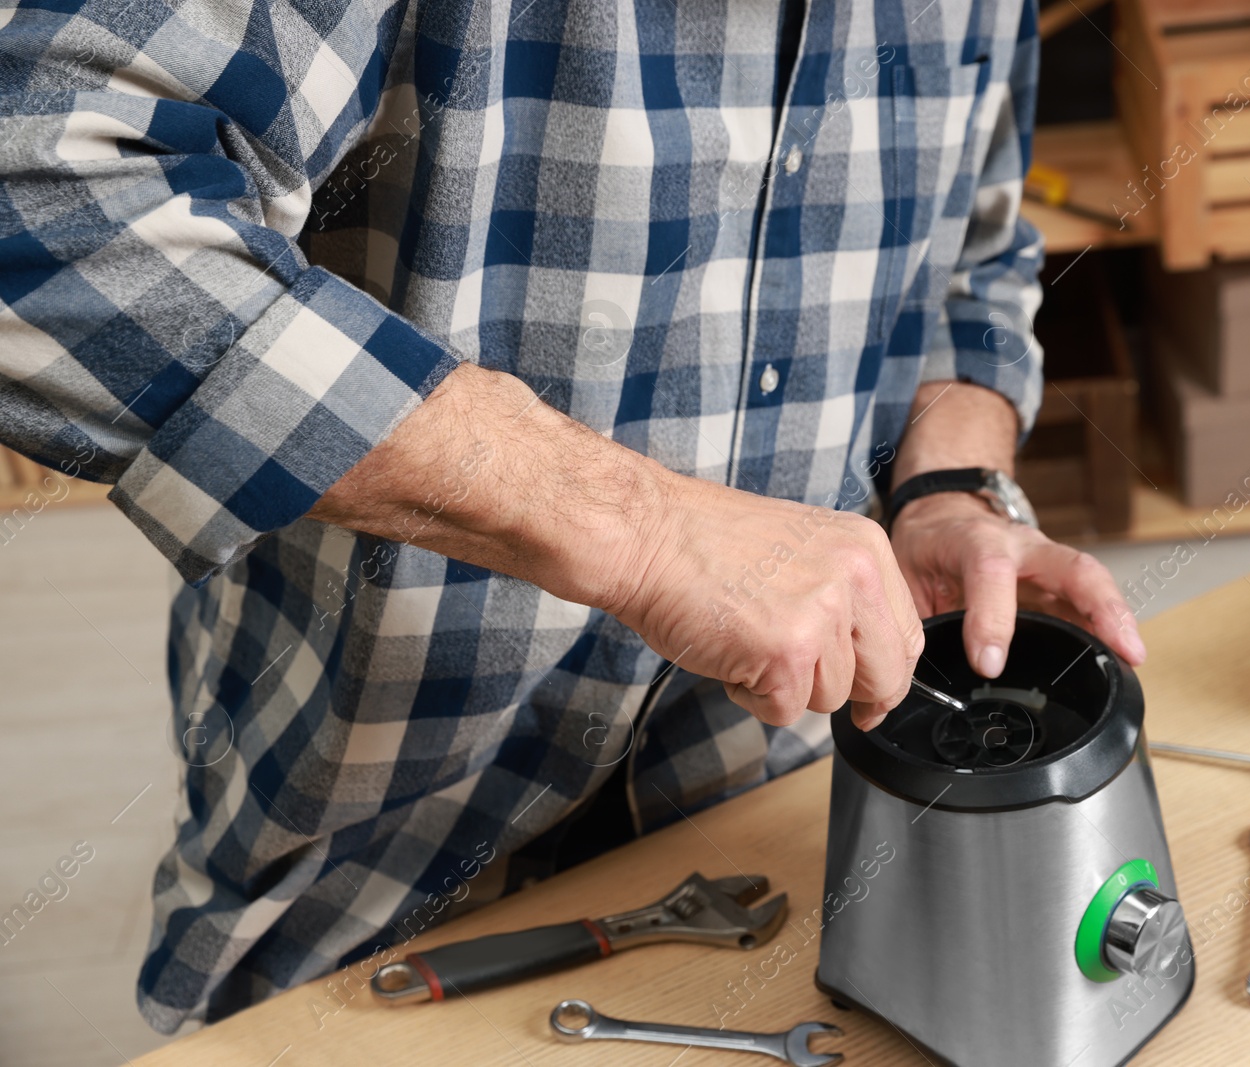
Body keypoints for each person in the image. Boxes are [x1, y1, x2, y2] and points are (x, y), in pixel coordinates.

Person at [0, 0, 1142, 1029]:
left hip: (773, 830)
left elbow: (978, 258)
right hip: (370, 885)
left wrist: (947, 485)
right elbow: (40, 187)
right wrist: (645, 533)